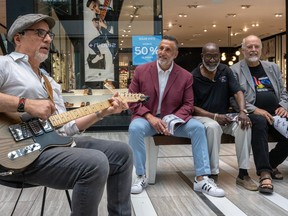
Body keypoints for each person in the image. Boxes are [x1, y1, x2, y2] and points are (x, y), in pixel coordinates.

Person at [0, 13, 133, 215]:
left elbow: (65, 127)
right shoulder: (5, 65)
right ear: (18, 38)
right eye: (39, 33)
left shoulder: (49, 81)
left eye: (49, 34)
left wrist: (101, 112)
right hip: (17, 155)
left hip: (52, 144)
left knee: (123, 153)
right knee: (94, 163)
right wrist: (25, 104)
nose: (48, 39)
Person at [128, 35, 225, 197]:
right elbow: (132, 100)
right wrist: (151, 117)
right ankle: (140, 175)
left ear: (175, 54)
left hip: (174, 122)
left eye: (168, 50)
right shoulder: (141, 71)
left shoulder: (185, 76)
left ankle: (202, 179)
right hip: (147, 120)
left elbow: (188, 104)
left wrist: (170, 120)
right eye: (161, 48)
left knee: (198, 127)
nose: (162, 52)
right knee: (134, 128)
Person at [191, 42, 257, 191]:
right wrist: (214, 116)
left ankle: (243, 174)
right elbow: (191, 107)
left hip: (224, 116)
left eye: (215, 56)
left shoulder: (225, 71)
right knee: (213, 127)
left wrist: (242, 111)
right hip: (202, 117)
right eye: (209, 56)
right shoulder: (193, 76)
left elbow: (238, 92)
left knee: (244, 125)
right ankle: (212, 174)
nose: (213, 60)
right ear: (202, 56)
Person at [230, 35, 288, 194]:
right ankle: (265, 173)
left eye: (256, 46)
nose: (253, 50)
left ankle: (270, 162)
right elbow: (233, 98)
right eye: (249, 47)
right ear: (243, 50)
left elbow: (284, 92)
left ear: (261, 49)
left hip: (277, 114)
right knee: (259, 123)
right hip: (253, 115)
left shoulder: (273, 67)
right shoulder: (234, 70)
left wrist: (283, 106)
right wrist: (255, 110)